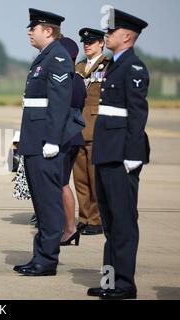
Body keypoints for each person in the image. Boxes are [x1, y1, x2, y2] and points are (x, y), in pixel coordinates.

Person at [13, 9, 83, 276]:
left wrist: (53, 140)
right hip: (35, 139)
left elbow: (59, 104)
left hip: (45, 143)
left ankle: (47, 261)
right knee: (41, 204)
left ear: (49, 31)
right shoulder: (45, 57)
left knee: (49, 202)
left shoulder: (58, 58)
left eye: (34, 27)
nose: (30, 31)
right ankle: (40, 256)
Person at [87, 9, 150, 299]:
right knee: (110, 223)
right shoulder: (114, 65)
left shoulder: (133, 68)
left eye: (110, 32)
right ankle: (110, 282)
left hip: (122, 155)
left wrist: (134, 153)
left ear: (127, 36)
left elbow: (137, 114)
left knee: (123, 222)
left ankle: (124, 284)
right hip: (106, 153)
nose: (106, 36)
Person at [73, 28, 110, 236]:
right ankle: (84, 218)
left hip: (96, 130)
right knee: (80, 178)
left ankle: (96, 220)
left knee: (95, 177)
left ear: (101, 43)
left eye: (92, 42)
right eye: (85, 42)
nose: (87, 45)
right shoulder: (78, 66)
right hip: (77, 130)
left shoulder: (108, 66)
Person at [58, 37, 86, 246]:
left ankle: (69, 228)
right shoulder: (77, 79)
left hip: (63, 137)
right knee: (62, 183)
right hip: (75, 135)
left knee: (60, 184)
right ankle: (68, 227)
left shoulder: (65, 78)